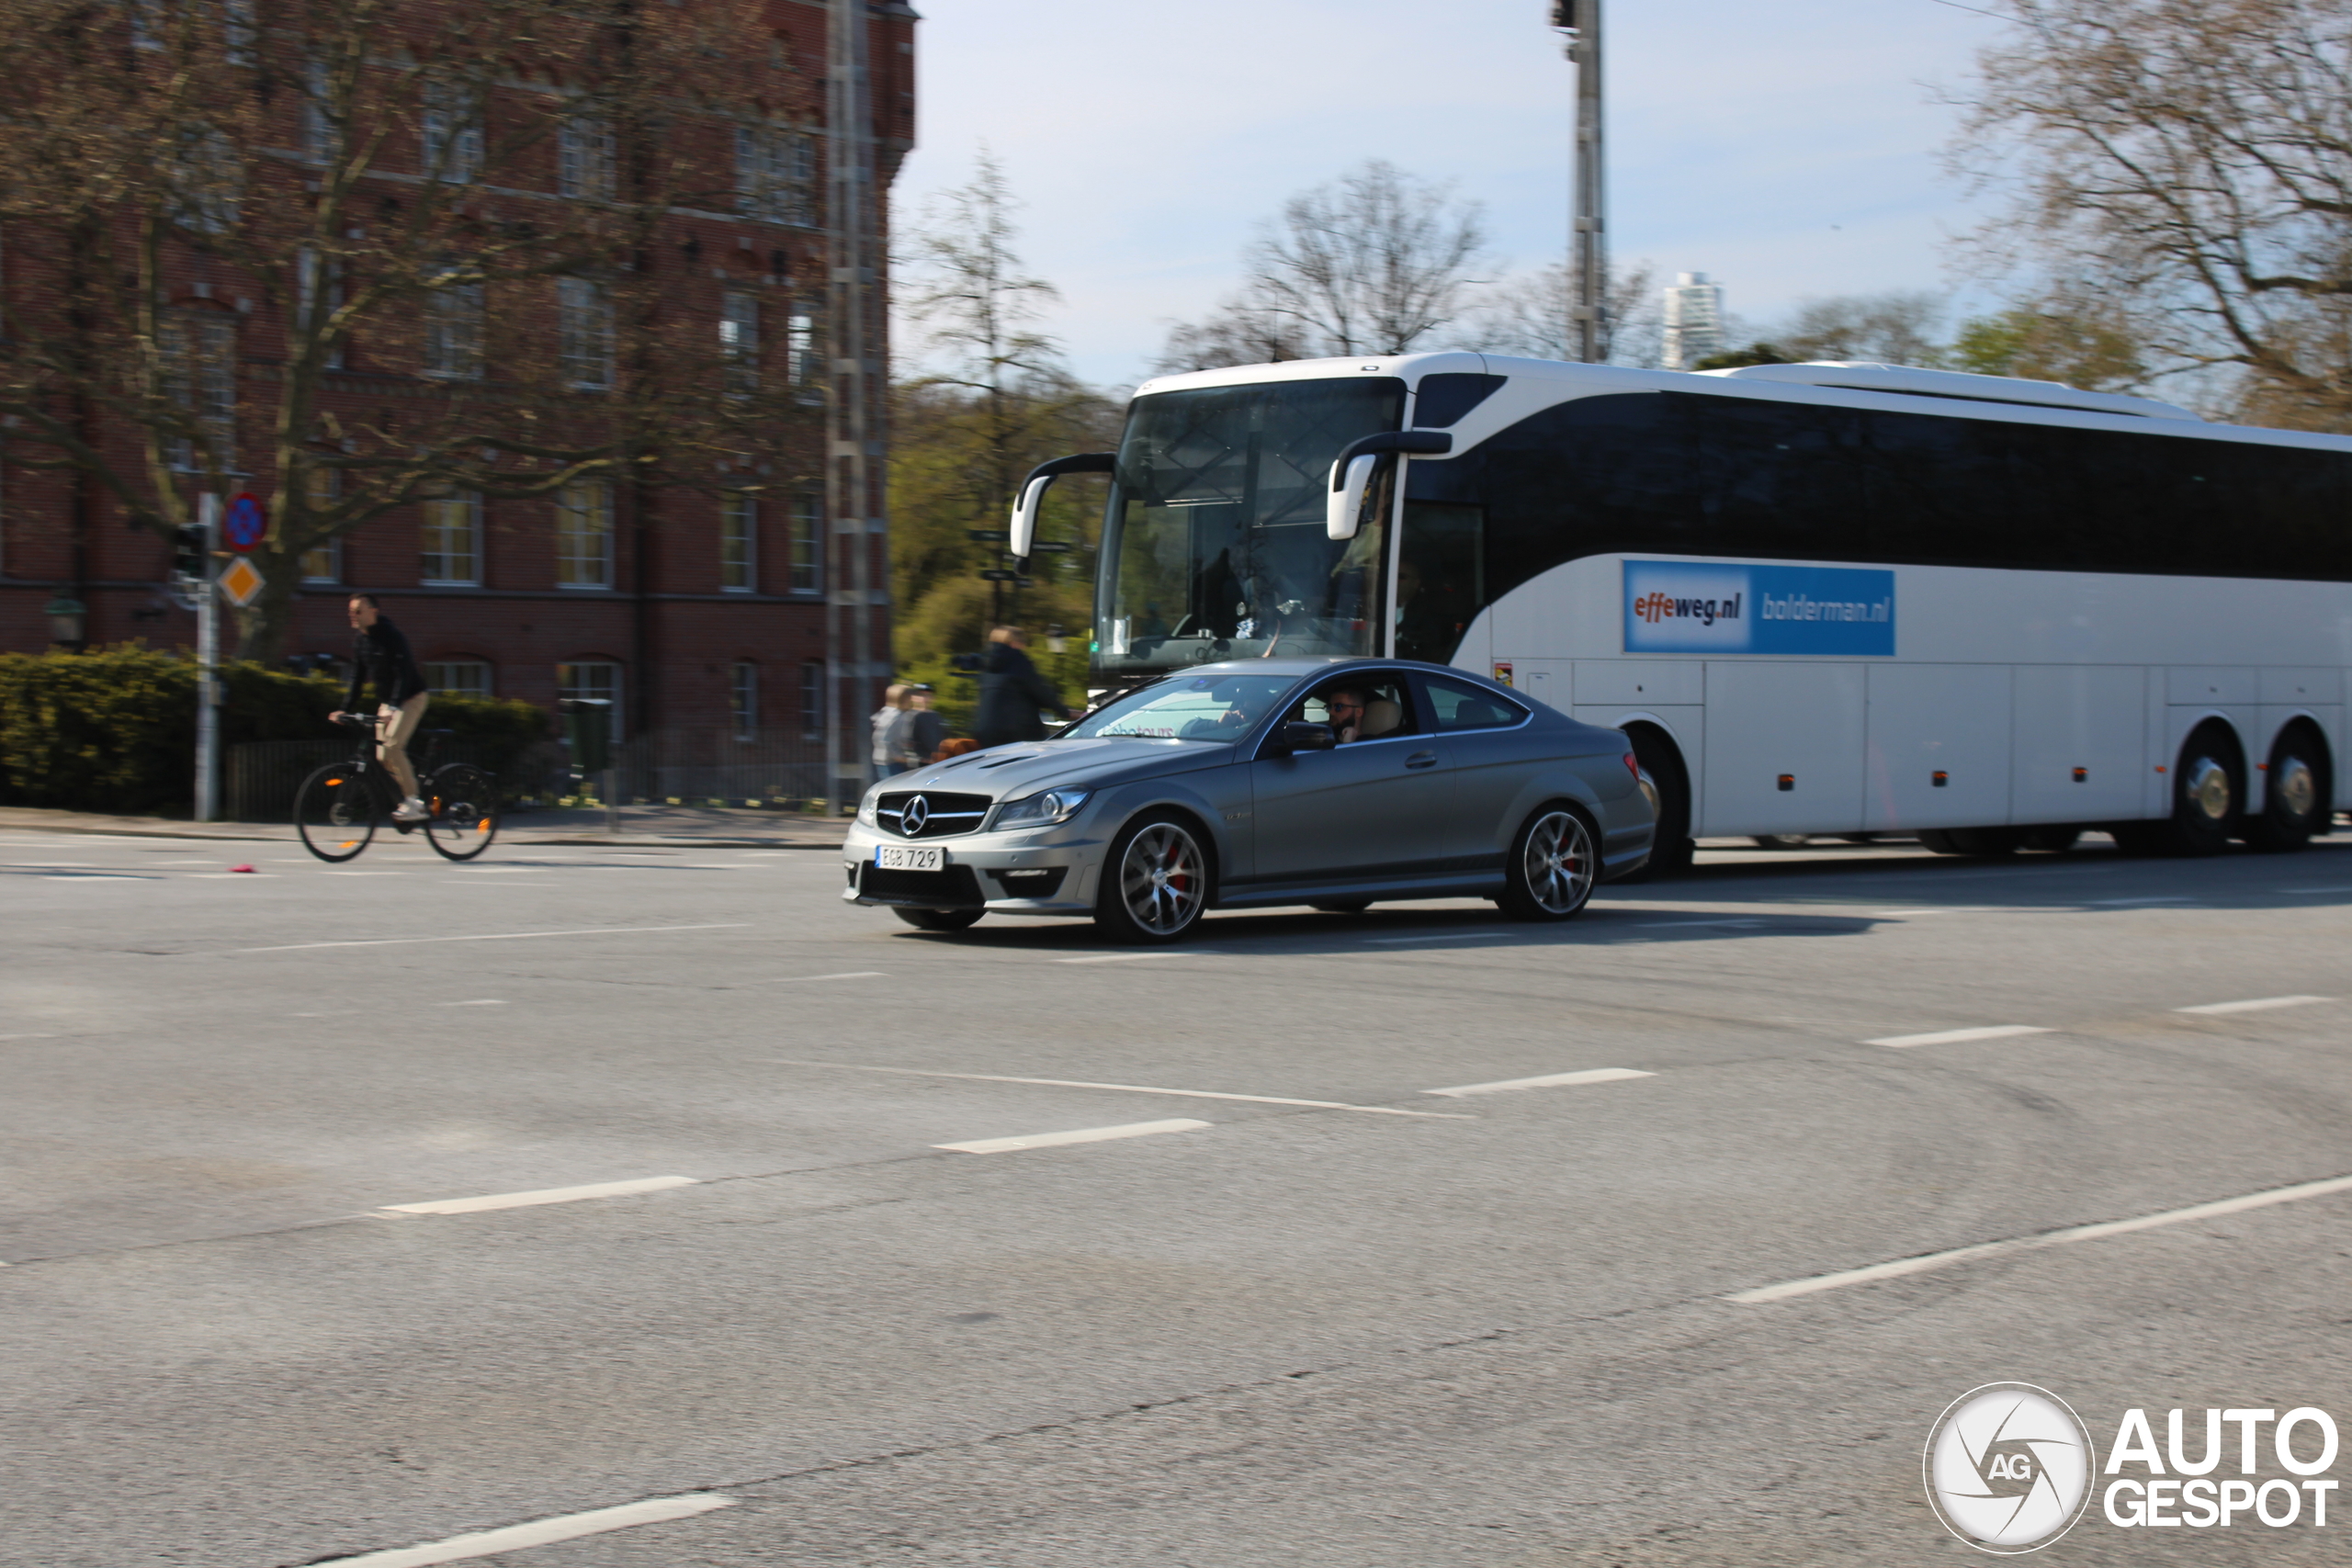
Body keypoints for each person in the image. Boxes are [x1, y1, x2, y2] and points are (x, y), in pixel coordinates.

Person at [327, 593, 430, 823]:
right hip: (389, 702)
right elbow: (356, 678)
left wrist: (394, 706)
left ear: (373, 611)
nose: (353, 616)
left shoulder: (392, 637)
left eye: (358, 611)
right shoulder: (361, 642)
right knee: (383, 757)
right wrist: (344, 709)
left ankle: (415, 802)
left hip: (411, 697)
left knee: (393, 746)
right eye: (351, 611)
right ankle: (407, 800)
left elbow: (403, 674)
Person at [973, 626, 1070, 748]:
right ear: (1015, 643)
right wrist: (1065, 712)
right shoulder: (1017, 661)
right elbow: (1040, 692)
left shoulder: (985, 664)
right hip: (1017, 732)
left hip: (986, 731)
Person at [870, 683, 912, 778]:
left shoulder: (886, 712)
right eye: (909, 697)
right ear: (903, 699)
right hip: (892, 761)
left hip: (882, 758)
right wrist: (897, 756)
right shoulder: (896, 716)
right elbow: (884, 739)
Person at [901, 685, 946, 767]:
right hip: (920, 763)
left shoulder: (936, 716)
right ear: (913, 698)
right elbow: (908, 743)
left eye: (928, 695)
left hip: (936, 762)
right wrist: (920, 760)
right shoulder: (910, 716)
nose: (925, 699)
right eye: (921, 696)